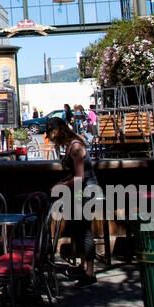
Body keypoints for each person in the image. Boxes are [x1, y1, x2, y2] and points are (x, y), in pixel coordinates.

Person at [46, 117, 98, 286]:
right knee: (77, 228)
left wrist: (61, 184)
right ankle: (83, 266)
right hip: (77, 191)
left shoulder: (75, 147)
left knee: (84, 229)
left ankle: (90, 272)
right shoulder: (70, 146)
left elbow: (80, 177)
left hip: (86, 190)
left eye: (51, 133)